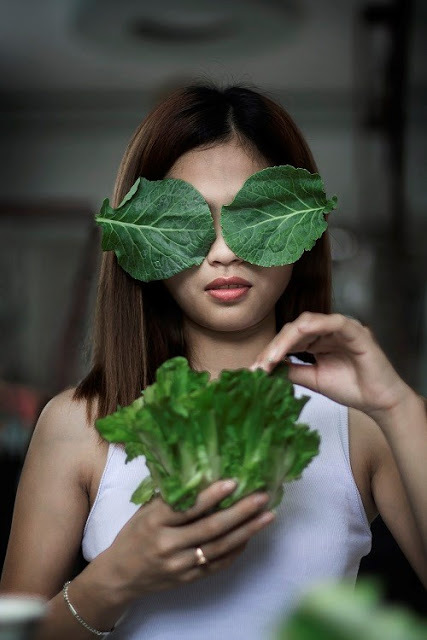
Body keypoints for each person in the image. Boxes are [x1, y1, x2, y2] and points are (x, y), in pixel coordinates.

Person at [1, 84, 425, 639]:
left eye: (254, 218)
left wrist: (396, 404)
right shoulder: (78, 424)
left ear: (300, 226)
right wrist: (114, 581)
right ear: (143, 243)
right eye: (190, 224)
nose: (223, 251)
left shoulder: (362, 420)